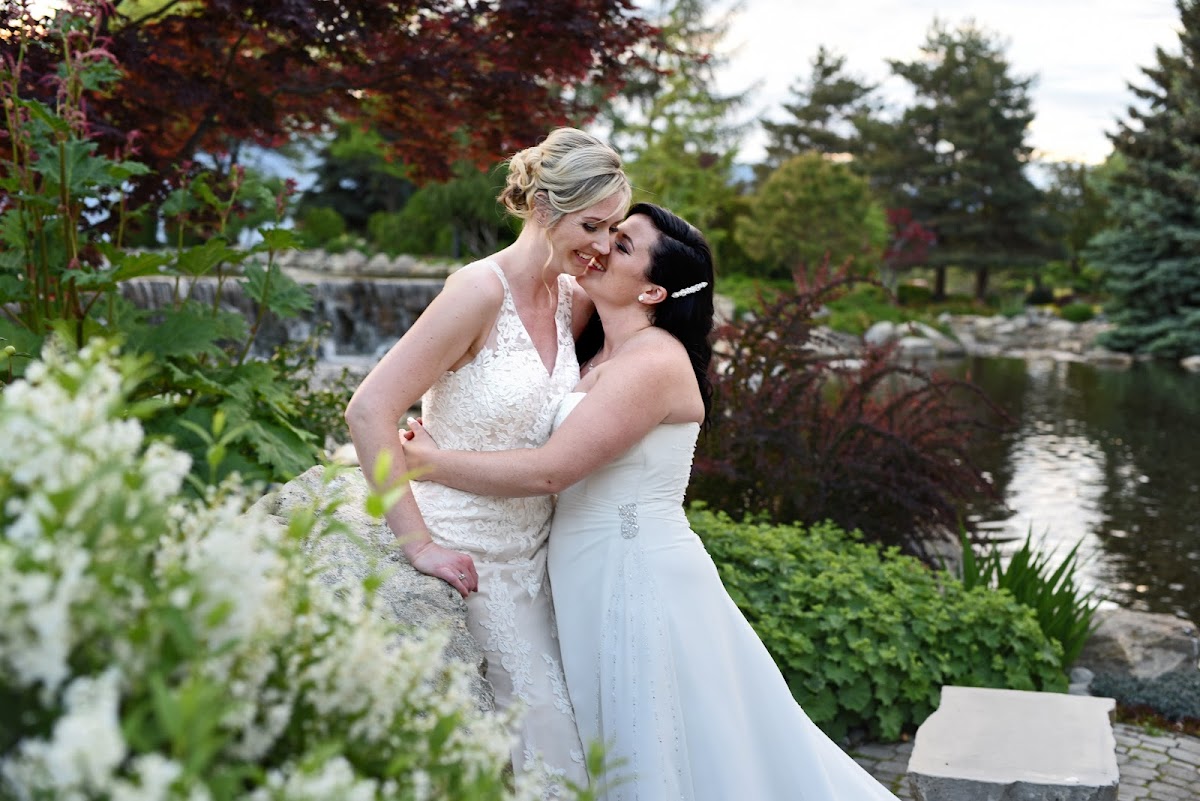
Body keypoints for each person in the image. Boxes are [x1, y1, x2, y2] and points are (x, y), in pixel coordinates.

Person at [401, 203, 902, 800]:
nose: (601, 248)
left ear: (653, 291)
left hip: (635, 576)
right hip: (581, 569)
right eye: (607, 233)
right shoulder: (598, 344)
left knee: (659, 742)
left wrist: (429, 462)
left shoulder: (655, 362)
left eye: (622, 246)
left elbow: (551, 471)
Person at [344, 127, 631, 796]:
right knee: (547, 753)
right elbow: (369, 409)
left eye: (612, 229)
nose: (601, 244)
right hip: (468, 553)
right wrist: (419, 546)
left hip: (541, 560)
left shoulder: (571, 299)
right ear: (545, 207)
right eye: (591, 225)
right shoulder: (478, 291)